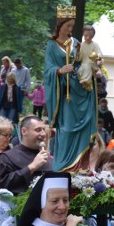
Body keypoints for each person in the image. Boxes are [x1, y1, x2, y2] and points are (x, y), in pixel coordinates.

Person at [45, 9, 100, 172]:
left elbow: (85, 59)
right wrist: (60, 71)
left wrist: (95, 62)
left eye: (72, 26)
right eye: (68, 26)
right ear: (60, 25)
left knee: (83, 130)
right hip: (65, 93)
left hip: (80, 90)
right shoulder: (51, 45)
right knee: (67, 129)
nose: (70, 29)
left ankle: (81, 167)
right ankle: (65, 166)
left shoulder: (76, 42)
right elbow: (48, 69)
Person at [0, 115, 51, 195]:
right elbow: (1, 186)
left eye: (44, 130)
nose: (43, 134)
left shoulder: (49, 159)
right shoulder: (7, 157)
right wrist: (31, 167)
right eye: (38, 130)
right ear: (24, 131)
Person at [75, 25, 103, 91]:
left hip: (92, 64)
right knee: (79, 71)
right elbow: (78, 59)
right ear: (83, 35)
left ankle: (87, 82)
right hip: (83, 64)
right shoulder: (82, 45)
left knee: (87, 67)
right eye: (86, 35)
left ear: (93, 36)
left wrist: (96, 56)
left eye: (90, 36)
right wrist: (78, 51)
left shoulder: (95, 45)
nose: (87, 38)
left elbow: (100, 54)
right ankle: (84, 83)